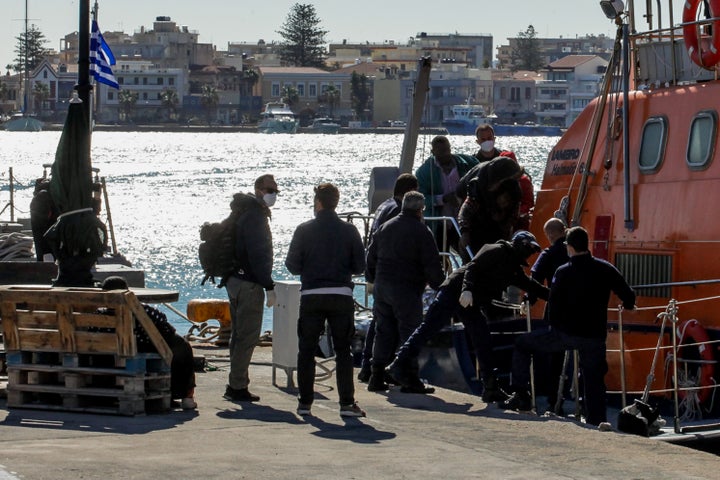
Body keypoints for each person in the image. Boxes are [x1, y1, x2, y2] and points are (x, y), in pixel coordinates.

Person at [386, 230, 549, 401]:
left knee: (482, 338)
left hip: (469, 302)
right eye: (528, 249)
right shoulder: (495, 250)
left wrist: (555, 297)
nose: (530, 254)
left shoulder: (513, 269)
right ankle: (398, 364)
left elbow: (533, 287)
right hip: (455, 290)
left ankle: (490, 387)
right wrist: (467, 289)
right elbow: (473, 267)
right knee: (428, 328)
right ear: (518, 245)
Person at [501, 226, 636, 426]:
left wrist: (555, 328)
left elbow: (553, 303)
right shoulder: (605, 268)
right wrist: (628, 305)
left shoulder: (563, 272)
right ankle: (597, 421)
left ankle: (521, 396)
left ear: (569, 247)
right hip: (594, 336)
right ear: (586, 244)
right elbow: (628, 294)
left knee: (522, 344)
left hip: (564, 334)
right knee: (594, 379)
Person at [285, 182, 367, 417]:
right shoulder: (350, 231)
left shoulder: (304, 230)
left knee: (306, 349)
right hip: (341, 294)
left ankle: (305, 402)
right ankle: (346, 403)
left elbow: (292, 266)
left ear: (318, 203)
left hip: (311, 294)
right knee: (343, 350)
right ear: (336, 202)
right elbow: (359, 266)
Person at [365, 191, 445, 393]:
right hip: (406, 289)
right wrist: (442, 287)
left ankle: (376, 376)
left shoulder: (385, 227)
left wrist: (374, 279)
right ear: (420, 210)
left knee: (383, 331)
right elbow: (432, 265)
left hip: (382, 287)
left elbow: (370, 258)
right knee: (409, 333)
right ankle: (409, 377)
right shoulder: (421, 231)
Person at [100, 276, 197, 410]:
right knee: (182, 346)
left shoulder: (99, 315)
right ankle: (185, 395)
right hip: (142, 348)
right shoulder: (144, 311)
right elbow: (167, 330)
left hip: (111, 351)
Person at [358, 173, 419, 383]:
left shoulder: (384, 205)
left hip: (380, 274)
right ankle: (389, 369)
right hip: (394, 276)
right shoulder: (397, 210)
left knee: (379, 322)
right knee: (388, 326)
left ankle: (369, 367)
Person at [224, 174, 278, 403]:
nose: (273, 194)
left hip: (234, 281)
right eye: (269, 189)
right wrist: (269, 285)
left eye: (275, 190)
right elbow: (258, 255)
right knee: (247, 336)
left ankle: (237, 381)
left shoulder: (242, 212)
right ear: (257, 189)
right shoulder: (256, 216)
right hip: (249, 284)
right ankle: (236, 385)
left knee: (237, 335)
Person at [530, 217, 569, 411]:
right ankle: (584, 400)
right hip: (580, 311)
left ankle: (555, 400)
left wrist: (532, 298)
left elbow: (535, 277)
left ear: (550, 235)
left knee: (555, 357)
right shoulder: (576, 251)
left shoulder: (549, 253)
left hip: (556, 310)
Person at [415, 135, 478, 249]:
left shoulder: (467, 163)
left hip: (465, 222)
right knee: (440, 254)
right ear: (433, 152)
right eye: (441, 151)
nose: (445, 154)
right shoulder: (424, 172)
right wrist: (443, 199)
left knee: (468, 250)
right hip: (440, 223)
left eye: (447, 150)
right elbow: (421, 199)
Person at [456, 156, 523, 260]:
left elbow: (513, 215)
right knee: (470, 246)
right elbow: (464, 212)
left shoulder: (515, 190)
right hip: (474, 211)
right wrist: (464, 231)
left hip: (497, 221)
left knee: (500, 249)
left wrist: (505, 229)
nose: (505, 202)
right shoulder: (477, 185)